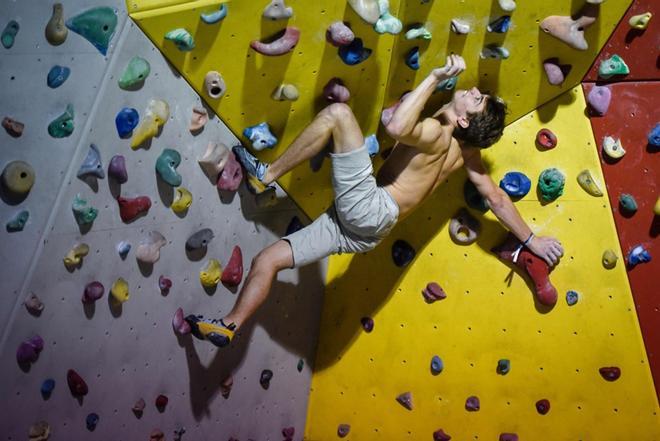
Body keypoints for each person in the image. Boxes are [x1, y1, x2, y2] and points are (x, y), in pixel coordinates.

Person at [185, 55, 564, 347]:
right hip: (368, 231)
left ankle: (263, 176)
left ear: (464, 122)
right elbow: (497, 199)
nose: (471, 91)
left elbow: (397, 126)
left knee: (338, 113)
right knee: (267, 260)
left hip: (370, 208)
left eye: (476, 99)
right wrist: (532, 240)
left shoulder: (437, 132)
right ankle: (230, 326)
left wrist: (434, 77)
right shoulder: (466, 156)